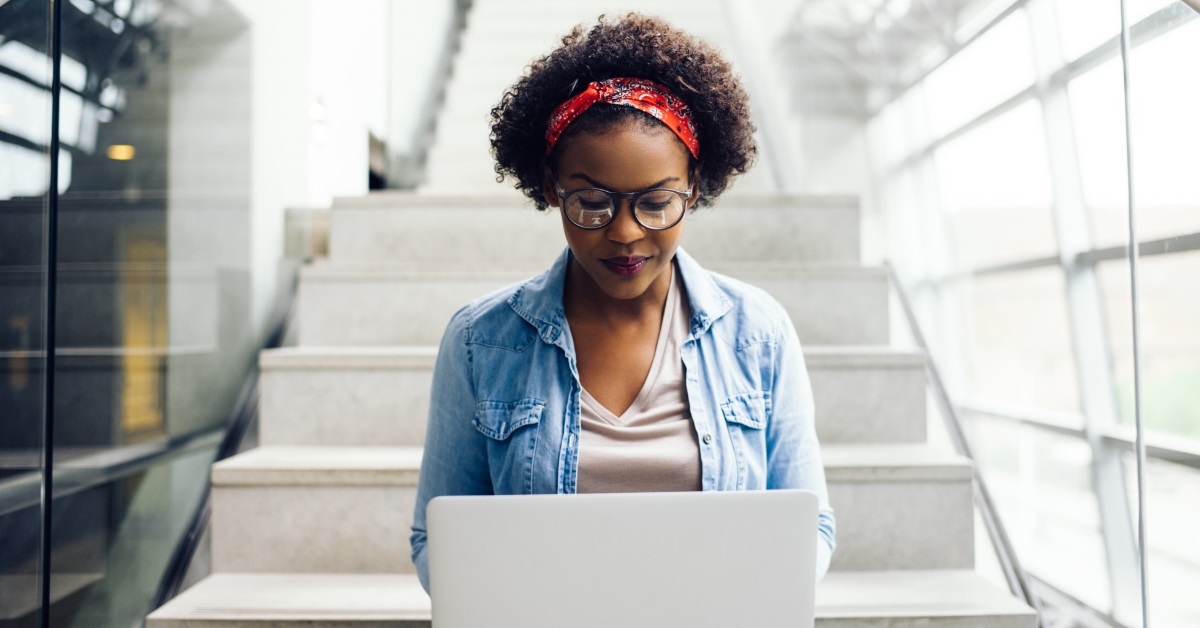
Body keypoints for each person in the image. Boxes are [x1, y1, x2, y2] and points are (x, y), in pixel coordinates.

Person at [410, 12, 835, 592]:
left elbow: (811, 526)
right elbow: (438, 539)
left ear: (694, 186)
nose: (626, 233)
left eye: (657, 202)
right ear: (550, 187)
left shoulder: (757, 332)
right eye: (591, 201)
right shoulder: (480, 340)